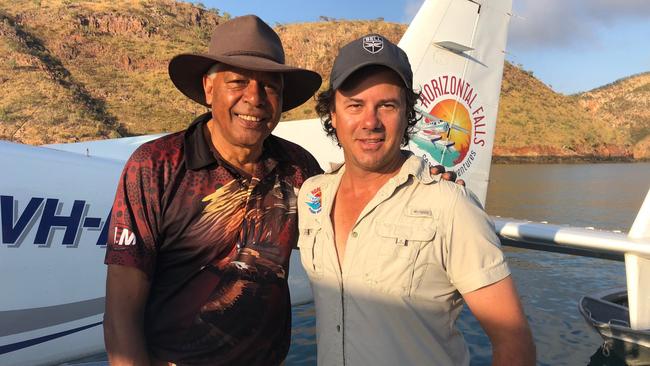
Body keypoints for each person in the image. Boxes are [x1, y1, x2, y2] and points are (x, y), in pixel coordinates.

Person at [297, 34, 535, 365]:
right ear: (333, 116)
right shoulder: (313, 195)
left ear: (408, 115)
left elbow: (514, 340)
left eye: (387, 105)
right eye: (355, 105)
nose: (370, 122)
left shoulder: (449, 205)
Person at [102, 15, 323, 365]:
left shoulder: (299, 168)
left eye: (269, 87)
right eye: (238, 81)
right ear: (208, 88)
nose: (255, 98)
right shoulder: (155, 166)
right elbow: (120, 313)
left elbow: (347, 236)